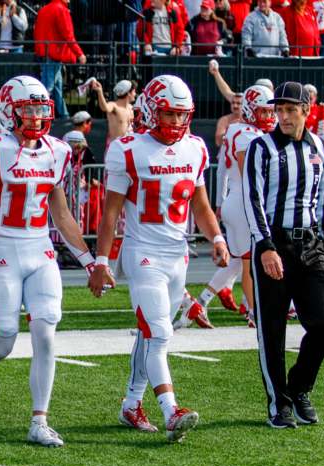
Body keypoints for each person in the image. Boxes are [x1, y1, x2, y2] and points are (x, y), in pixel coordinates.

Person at [0, 75, 94, 447]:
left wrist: (89, 261)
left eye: (40, 109)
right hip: (4, 249)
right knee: (2, 339)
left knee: (45, 334)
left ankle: (39, 420)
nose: (35, 117)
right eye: (27, 109)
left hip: (41, 250)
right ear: (7, 111)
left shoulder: (57, 150)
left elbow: (62, 214)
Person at [89, 75, 229, 442]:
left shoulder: (195, 147)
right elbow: (110, 212)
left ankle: (131, 404)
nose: (176, 123)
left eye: (182, 116)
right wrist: (101, 261)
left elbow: (199, 202)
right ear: (151, 110)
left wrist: (215, 236)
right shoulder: (128, 148)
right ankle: (171, 410)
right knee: (159, 333)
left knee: (149, 337)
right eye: (168, 114)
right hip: (143, 252)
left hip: (177, 254)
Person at [243, 81, 324, 429]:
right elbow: (254, 199)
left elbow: (321, 198)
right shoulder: (261, 147)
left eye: (291, 109)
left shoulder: (317, 145)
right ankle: (279, 404)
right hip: (274, 243)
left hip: (309, 243)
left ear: (306, 110)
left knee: (322, 324)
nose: (284, 116)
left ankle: (299, 388)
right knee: (273, 330)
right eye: (280, 110)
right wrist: (265, 247)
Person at [176, 85, 277, 330]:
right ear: (252, 110)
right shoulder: (247, 135)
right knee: (249, 263)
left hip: (236, 199)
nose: (269, 117)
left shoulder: (235, 130)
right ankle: (254, 313)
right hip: (245, 203)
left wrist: (221, 201)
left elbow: (222, 169)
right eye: (263, 112)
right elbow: (250, 174)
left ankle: (200, 303)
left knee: (235, 262)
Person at [34, 0, 86, 121]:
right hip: (54, 53)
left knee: (56, 86)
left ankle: (64, 114)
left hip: (45, 52)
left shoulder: (44, 9)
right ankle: (43, 116)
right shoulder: (61, 10)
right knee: (48, 88)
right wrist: (79, 53)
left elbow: (37, 31)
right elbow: (68, 34)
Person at [92, 78, 136, 144]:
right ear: (128, 93)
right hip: (115, 148)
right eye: (134, 91)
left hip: (129, 147)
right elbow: (104, 107)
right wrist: (100, 91)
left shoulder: (131, 108)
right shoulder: (114, 106)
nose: (135, 94)